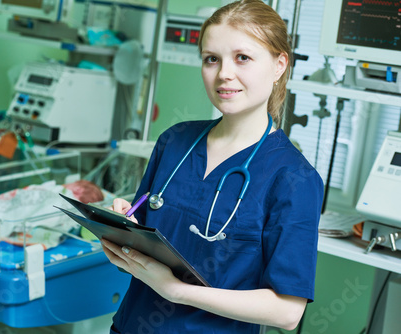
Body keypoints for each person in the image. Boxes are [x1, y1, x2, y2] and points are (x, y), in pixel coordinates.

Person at [102, 1, 324, 333]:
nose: (224, 74)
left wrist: (177, 291)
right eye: (212, 59)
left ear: (279, 65)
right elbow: (144, 247)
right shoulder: (174, 141)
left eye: (243, 58)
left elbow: (287, 312)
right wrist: (122, 231)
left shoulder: (294, 179)